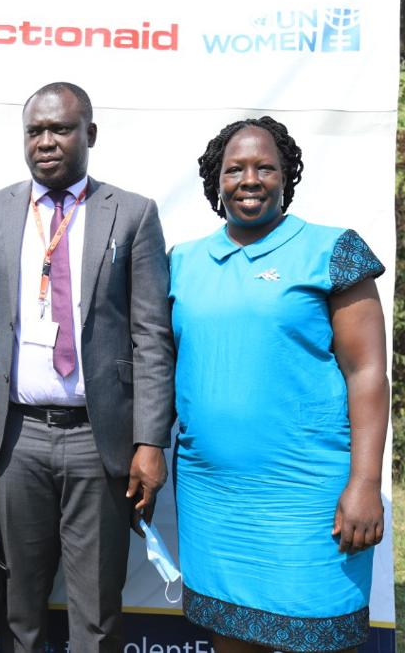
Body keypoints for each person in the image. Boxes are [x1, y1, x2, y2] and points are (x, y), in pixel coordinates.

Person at [0, 82, 175, 653]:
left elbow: (152, 337)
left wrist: (150, 442)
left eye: (61, 129)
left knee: (98, 611)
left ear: (91, 135)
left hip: (99, 441)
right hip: (16, 441)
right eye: (35, 131)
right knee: (18, 609)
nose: (47, 142)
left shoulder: (132, 214)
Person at [170, 117, 388, 653]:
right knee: (231, 637)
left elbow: (367, 373)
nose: (250, 179)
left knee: (313, 634)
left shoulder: (332, 249)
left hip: (308, 495)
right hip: (211, 495)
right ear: (215, 181)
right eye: (235, 168)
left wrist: (364, 483)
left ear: (286, 175)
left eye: (265, 167)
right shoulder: (181, 260)